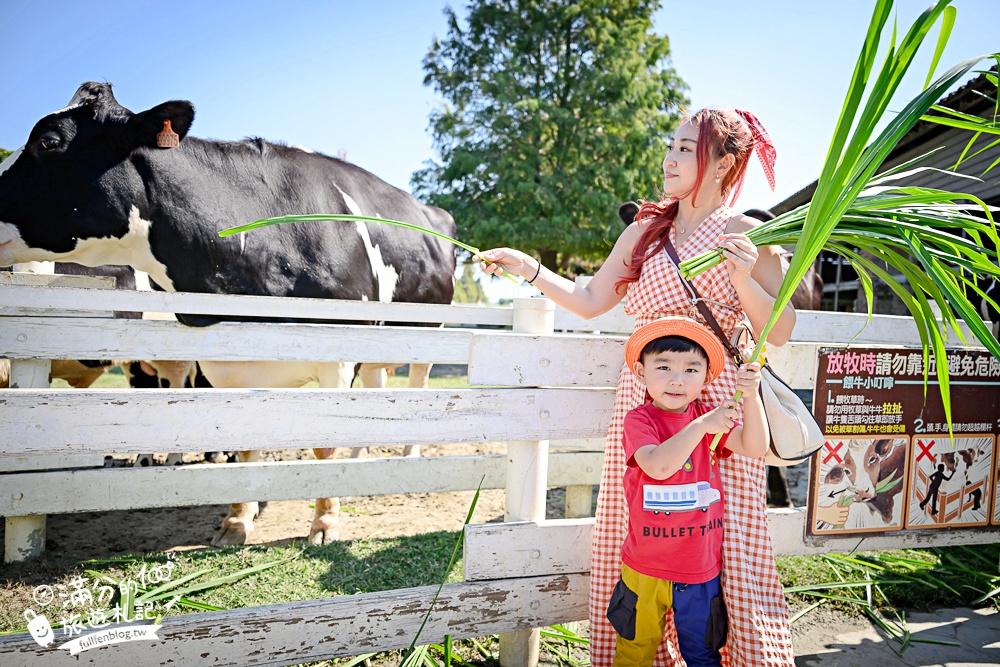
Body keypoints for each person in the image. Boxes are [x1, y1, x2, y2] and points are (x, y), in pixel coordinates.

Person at [477, 108, 796, 666]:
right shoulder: (645, 231)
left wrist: (744, 278)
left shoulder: (746, 233)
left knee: (724, 540)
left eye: (685, 149)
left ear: (723, 162)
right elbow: (590, 300)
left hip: (716, 410)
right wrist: (529, 269)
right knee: (646, 530)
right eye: (669, 147)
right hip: (644, 407)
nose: (669, 159)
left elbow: (784, 329)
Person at [610, 316, 767, 667]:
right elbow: (658, 466)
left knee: (702, 652)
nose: (677, 380)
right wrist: (702, 425)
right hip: (645, 566)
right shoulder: (640, 420)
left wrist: (752, 397)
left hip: (700, 568)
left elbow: (755, 447)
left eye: (691, 369)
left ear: (706, 377)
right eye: (663, 366)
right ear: (640, 371)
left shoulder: (709, 419)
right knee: (634, 649)